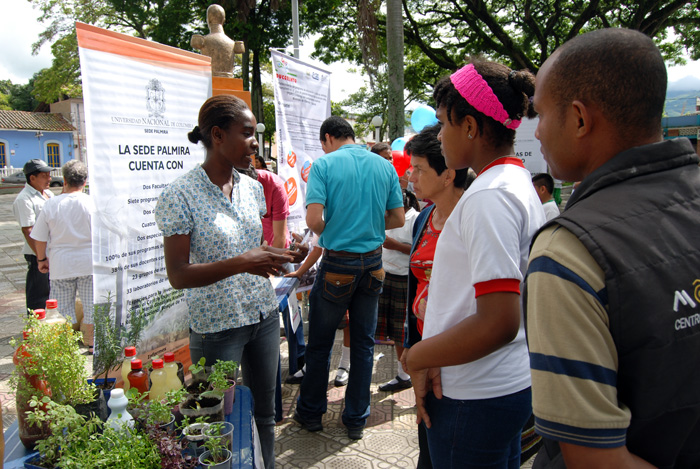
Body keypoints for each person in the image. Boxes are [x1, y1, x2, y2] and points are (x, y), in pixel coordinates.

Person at [525, 28, 700, 469]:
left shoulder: (568, 253)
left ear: (580, 119)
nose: (538, 132)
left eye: (542, 114)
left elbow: (595, 460)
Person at [403, 60, 544, 468]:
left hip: (474, 395)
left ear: (469, 126)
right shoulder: (510, 183)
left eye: (445, 123)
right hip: (488, 384)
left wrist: (418, 356)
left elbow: (498, 321)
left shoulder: (488, 196)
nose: (439, 135)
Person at [155, 95, 302, 469]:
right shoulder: (180, 195)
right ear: (218, 135)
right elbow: (179, 275)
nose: (255, 142)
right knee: (211, 422)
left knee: (265, 414)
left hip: (263, 315)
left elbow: (247, 249)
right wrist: (242, 262)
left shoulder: (252, 188)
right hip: (217, 327)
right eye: (248, 134)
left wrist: (281, 254)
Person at [294, 116, 404, 440]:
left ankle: (311, 413)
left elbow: (314, 220)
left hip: (337, 265)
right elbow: (397, 217)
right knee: (364, 343)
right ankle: (356, 418)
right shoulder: (384, 166)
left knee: (320, 345)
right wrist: (366, 225)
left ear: (328, 138)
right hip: (373, 264)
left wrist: (339, 229)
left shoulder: (324, 166)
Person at [397, 124, 476, 468]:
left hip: (460, 355)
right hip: (425, 350)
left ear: (447, 175)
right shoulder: (425, 217)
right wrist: (414, 348)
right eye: (410, 167)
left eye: (419, 168)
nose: (410, 175)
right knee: (428, 444)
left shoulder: (473, 217)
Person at [30, 160, 95, 349]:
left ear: (64, 180)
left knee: (61, 310)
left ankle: (63, 347)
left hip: (61, 263)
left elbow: (40, 237)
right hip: (89, 262)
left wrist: (41, 259)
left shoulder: (52, 205)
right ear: (85, 181)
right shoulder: (92, 203)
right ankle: (92, 343)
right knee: (91, 306)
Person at [376, 189, 420, 392]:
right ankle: (403, 375)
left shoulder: (415, 220)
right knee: (395, 331)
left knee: (405, 331)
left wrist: (396, 246)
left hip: (406, 279)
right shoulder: (387, 219)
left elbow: (421, 252)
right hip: (387, 276)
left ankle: (411, 374)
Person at [13, 159, 54, 313]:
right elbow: (28, 230)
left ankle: (50, 326)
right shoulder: (24, 199)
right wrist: (40, 256)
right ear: (32, 178)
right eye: (45, 176)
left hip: (50, 251)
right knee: (38, 293)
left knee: (50, 292)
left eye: (49, 175)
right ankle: (35, 328)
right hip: (37, 253)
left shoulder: (47, 193)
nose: (49, 179)